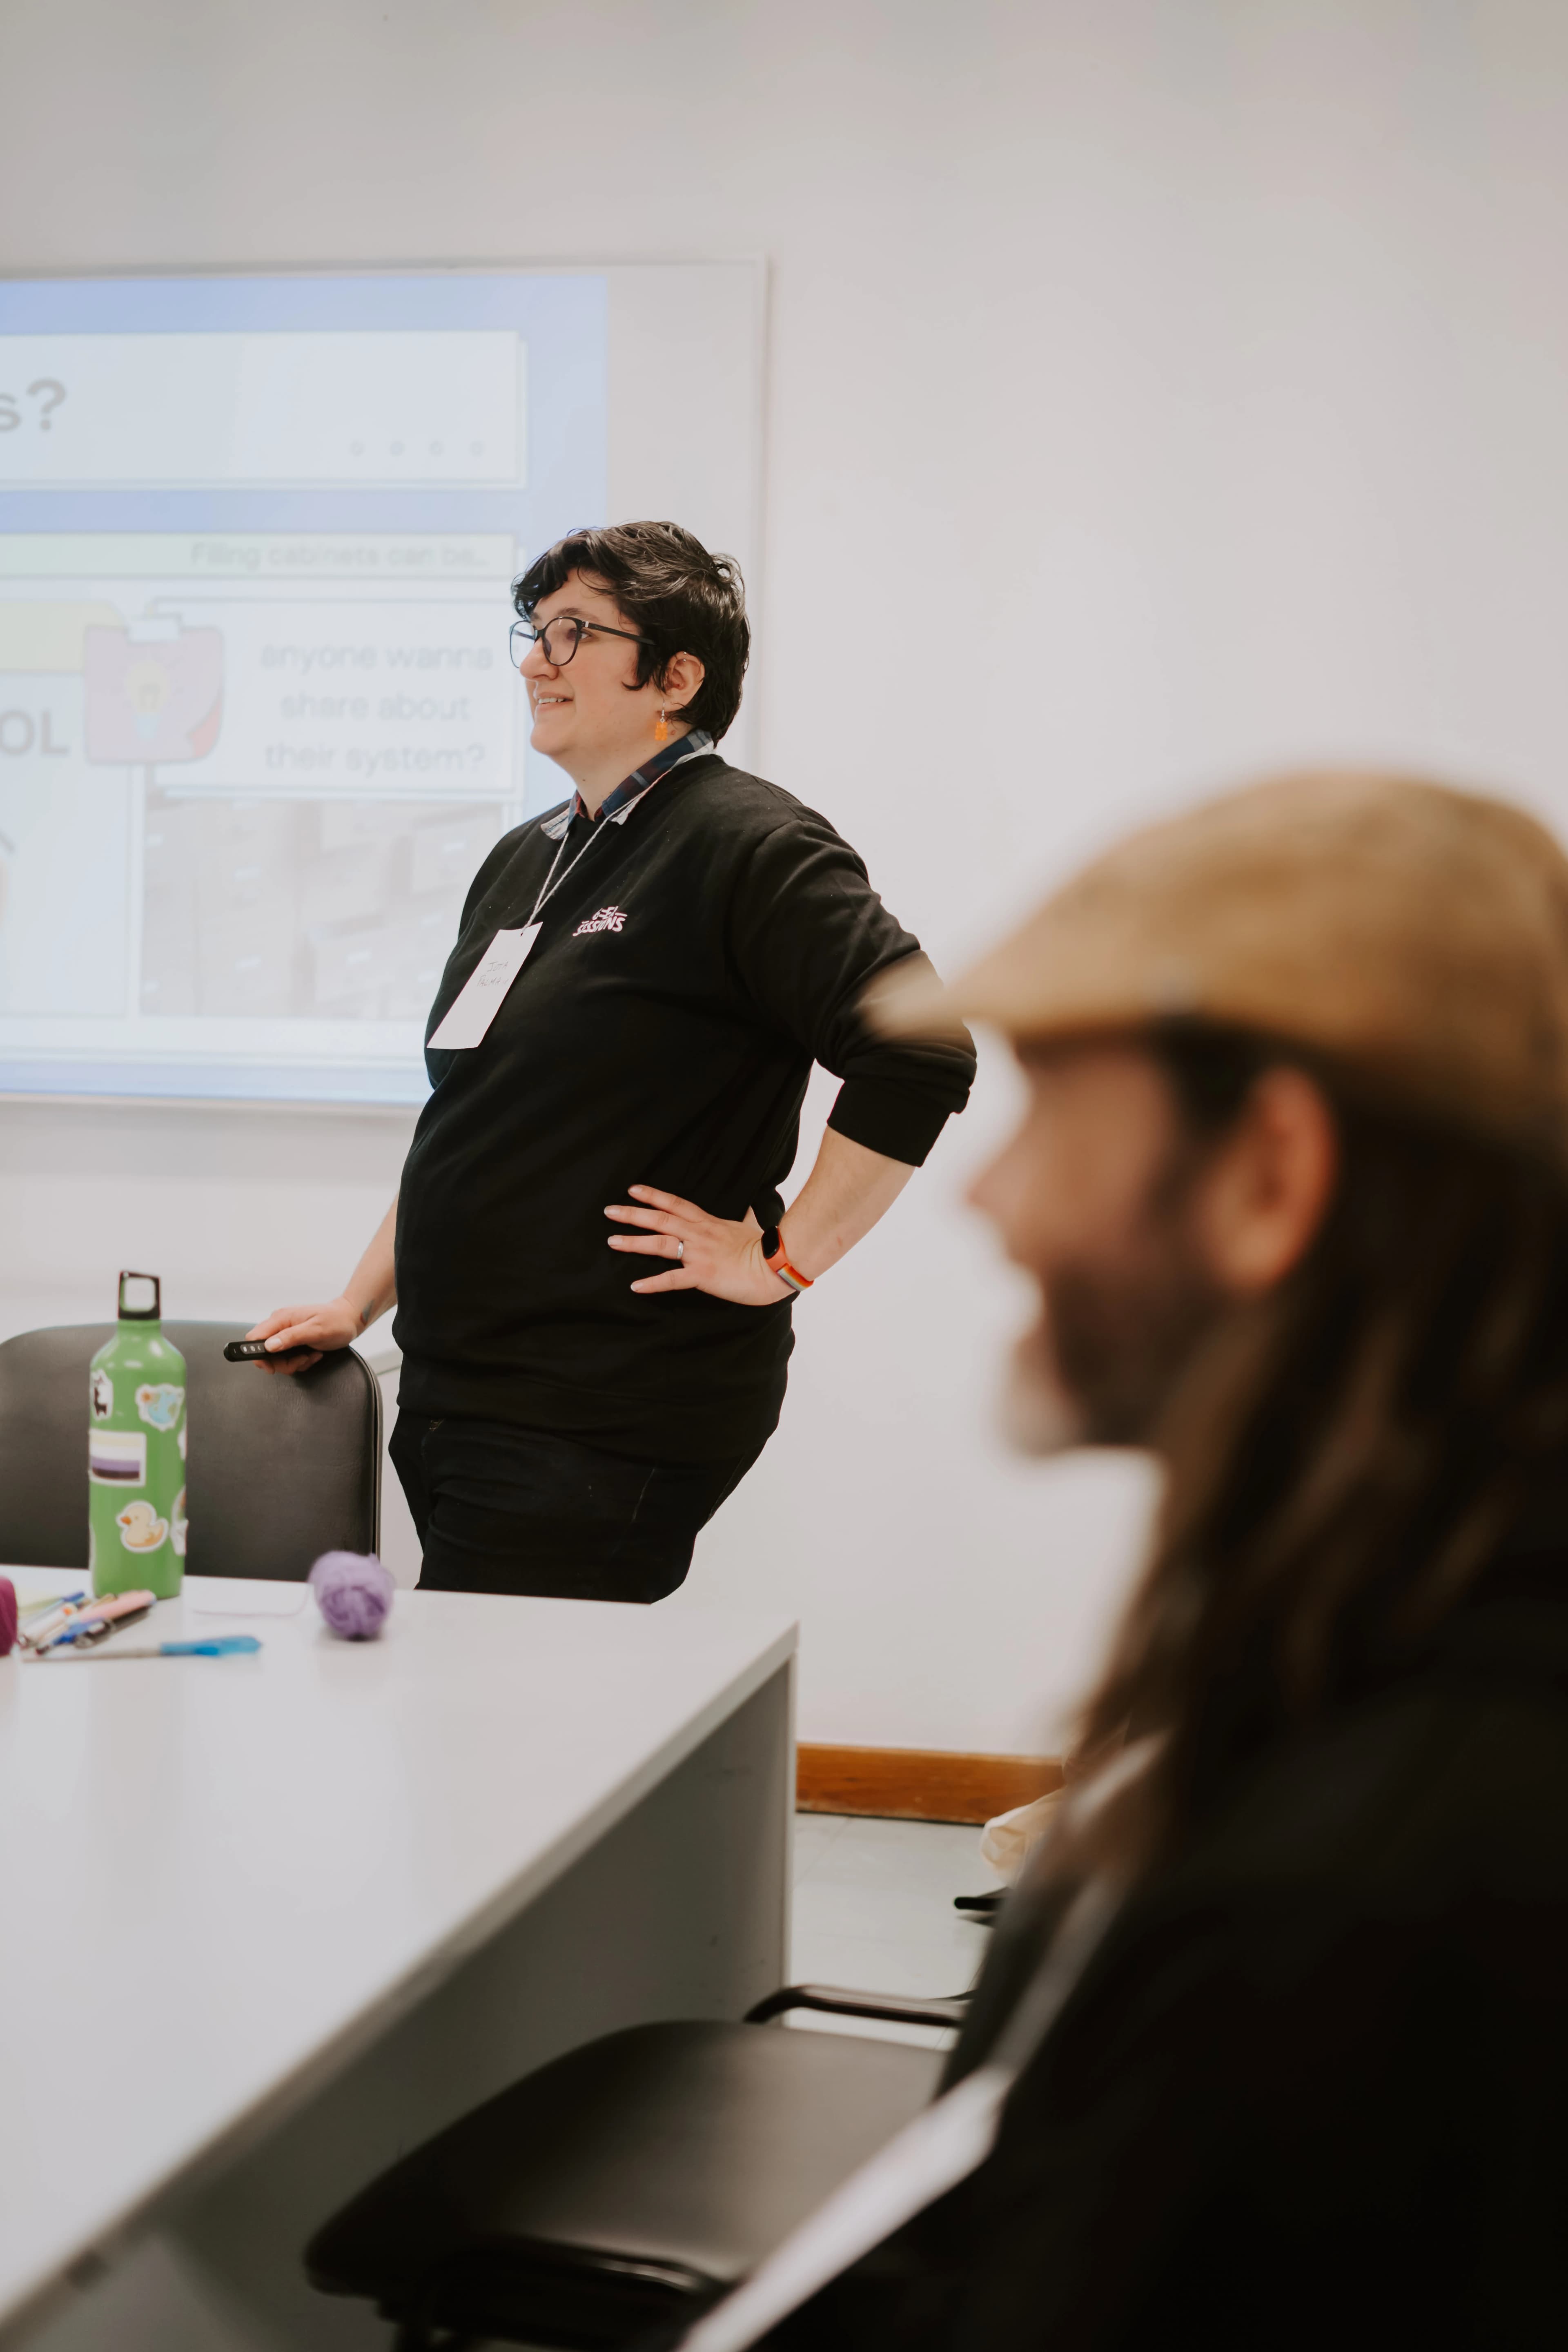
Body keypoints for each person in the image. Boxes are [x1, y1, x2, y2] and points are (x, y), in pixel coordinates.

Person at [684, 770, 1568, 2350]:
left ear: (1270, 1174)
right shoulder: (1365, 1647)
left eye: (1053, 1114)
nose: (998, 1205)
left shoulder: (1348, 1896)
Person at [248, 522, 975, 1599]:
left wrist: (781, 1260)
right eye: (533, 634)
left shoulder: (748, 843)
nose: (537, 662)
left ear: (677, 676)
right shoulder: (527, 855)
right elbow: (482, 1114)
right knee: (505, 1729)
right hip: (467, 1397)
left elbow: (922, 1046)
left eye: (574, 633)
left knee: (505, 1741)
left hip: (602, 1410)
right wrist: (362, 1303)